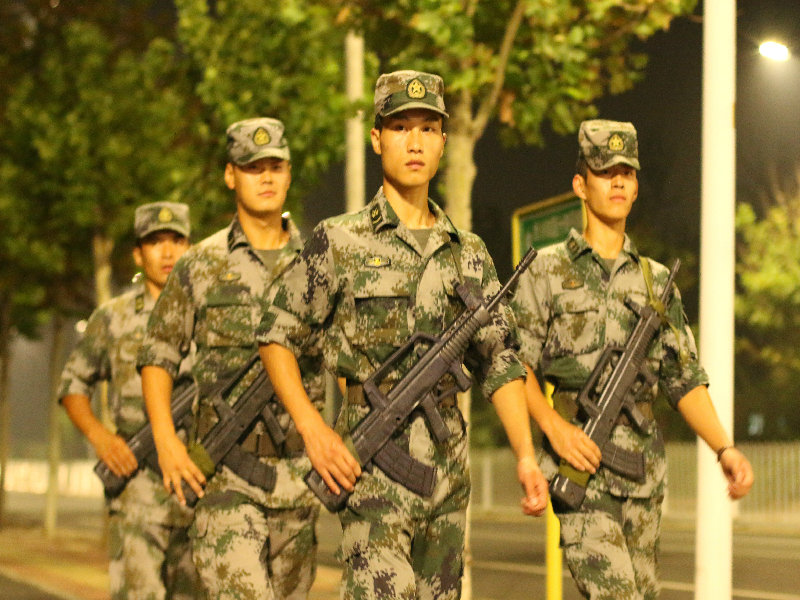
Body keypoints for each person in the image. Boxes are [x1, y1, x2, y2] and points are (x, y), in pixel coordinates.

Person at [257, 70, 549, 600]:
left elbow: (500, 361)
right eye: (400, 127)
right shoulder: (338, 240)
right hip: (369, 472)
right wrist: (313, 430)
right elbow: (276, 334)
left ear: (443, 141)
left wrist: (526, 455)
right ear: (377, 139)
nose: (415, 142)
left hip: (447, 478)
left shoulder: (468, 252)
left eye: (428, 128)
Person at [511, 119, 755, 599]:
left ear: (637, 186)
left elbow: (683, 378)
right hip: (579, 470)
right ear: (581, 185)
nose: (618, 181)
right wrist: (553, 429)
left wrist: (724, 448)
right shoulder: (546, 270)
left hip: (643, 477)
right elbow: (514, 365)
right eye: (605, 172)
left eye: (626, 172)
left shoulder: (656, 282)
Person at [137, 117, 323, 600]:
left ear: (289, 174)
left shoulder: (320, 262)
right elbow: (158, 353)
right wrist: (165, 440)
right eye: (252, 167)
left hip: (299, 482)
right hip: (224, 478)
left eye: (275, 167)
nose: (266, 178)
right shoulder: (200, 263)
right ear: (230, 175)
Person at [59, 201, 199, 599]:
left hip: (201, 491)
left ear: (190, 248)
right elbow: (72, 385)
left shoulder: (211, 314)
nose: (168, 252)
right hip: (137, 494)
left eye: (177, 240)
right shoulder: (113, 317)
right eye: (155, 242)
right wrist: (99, 437)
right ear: (138, 254)